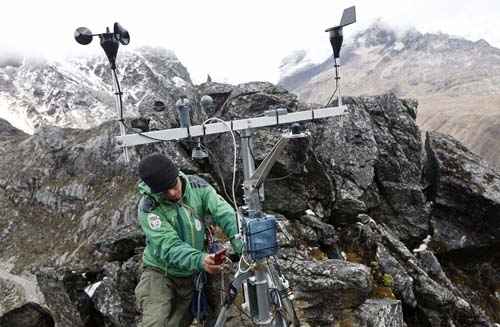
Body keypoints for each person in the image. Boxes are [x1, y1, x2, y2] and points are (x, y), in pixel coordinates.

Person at [134, 153, 242, 327]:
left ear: (178, 174)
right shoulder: (149, 208)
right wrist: (200, 259)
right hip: (160, 272)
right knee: (156, 322)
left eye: (173, 185)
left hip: (191, 276)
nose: (172, 193)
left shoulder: (198, 187)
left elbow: (226, 215)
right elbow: (168, 246)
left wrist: (242, 245)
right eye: (164, 191)